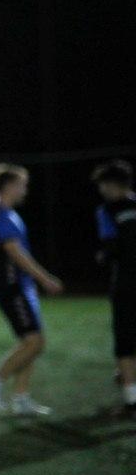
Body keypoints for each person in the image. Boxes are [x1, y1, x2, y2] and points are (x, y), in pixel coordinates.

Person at [0, 163, 63, 416]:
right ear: (8, 186)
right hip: (12, 288)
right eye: (22, 185)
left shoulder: (10, 214)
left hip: (22, 288)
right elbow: (16, 254)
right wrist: (45, 279)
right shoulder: (0, 216)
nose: (25, 190)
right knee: (35, 342)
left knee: (30, 343)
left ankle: (21, 398)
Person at [91, 159, 136, 416]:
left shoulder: (105, 211)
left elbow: (111, 248)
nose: (101, 190)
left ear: (110, 185)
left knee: (125, 340)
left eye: (102, 185)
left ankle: (131, 400)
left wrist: (102, 256)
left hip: (126, 283)